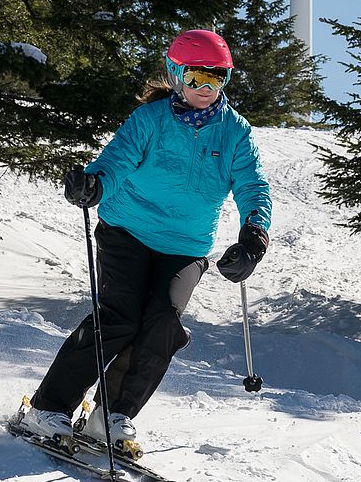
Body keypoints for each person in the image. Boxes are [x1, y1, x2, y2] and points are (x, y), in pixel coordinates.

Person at [23, 29, 272, 444]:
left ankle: (112, 415)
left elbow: (252, 186)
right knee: (119, 318)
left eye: (217, 78)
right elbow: (115, 161)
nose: (206, 88)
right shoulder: (150, 120)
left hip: (185, 246)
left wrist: (253, 237)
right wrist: (95, 186)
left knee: (163, 324)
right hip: (128, 231)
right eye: (196, 78)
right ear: (176, 74)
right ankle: (48, 407)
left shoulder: (235, 132)